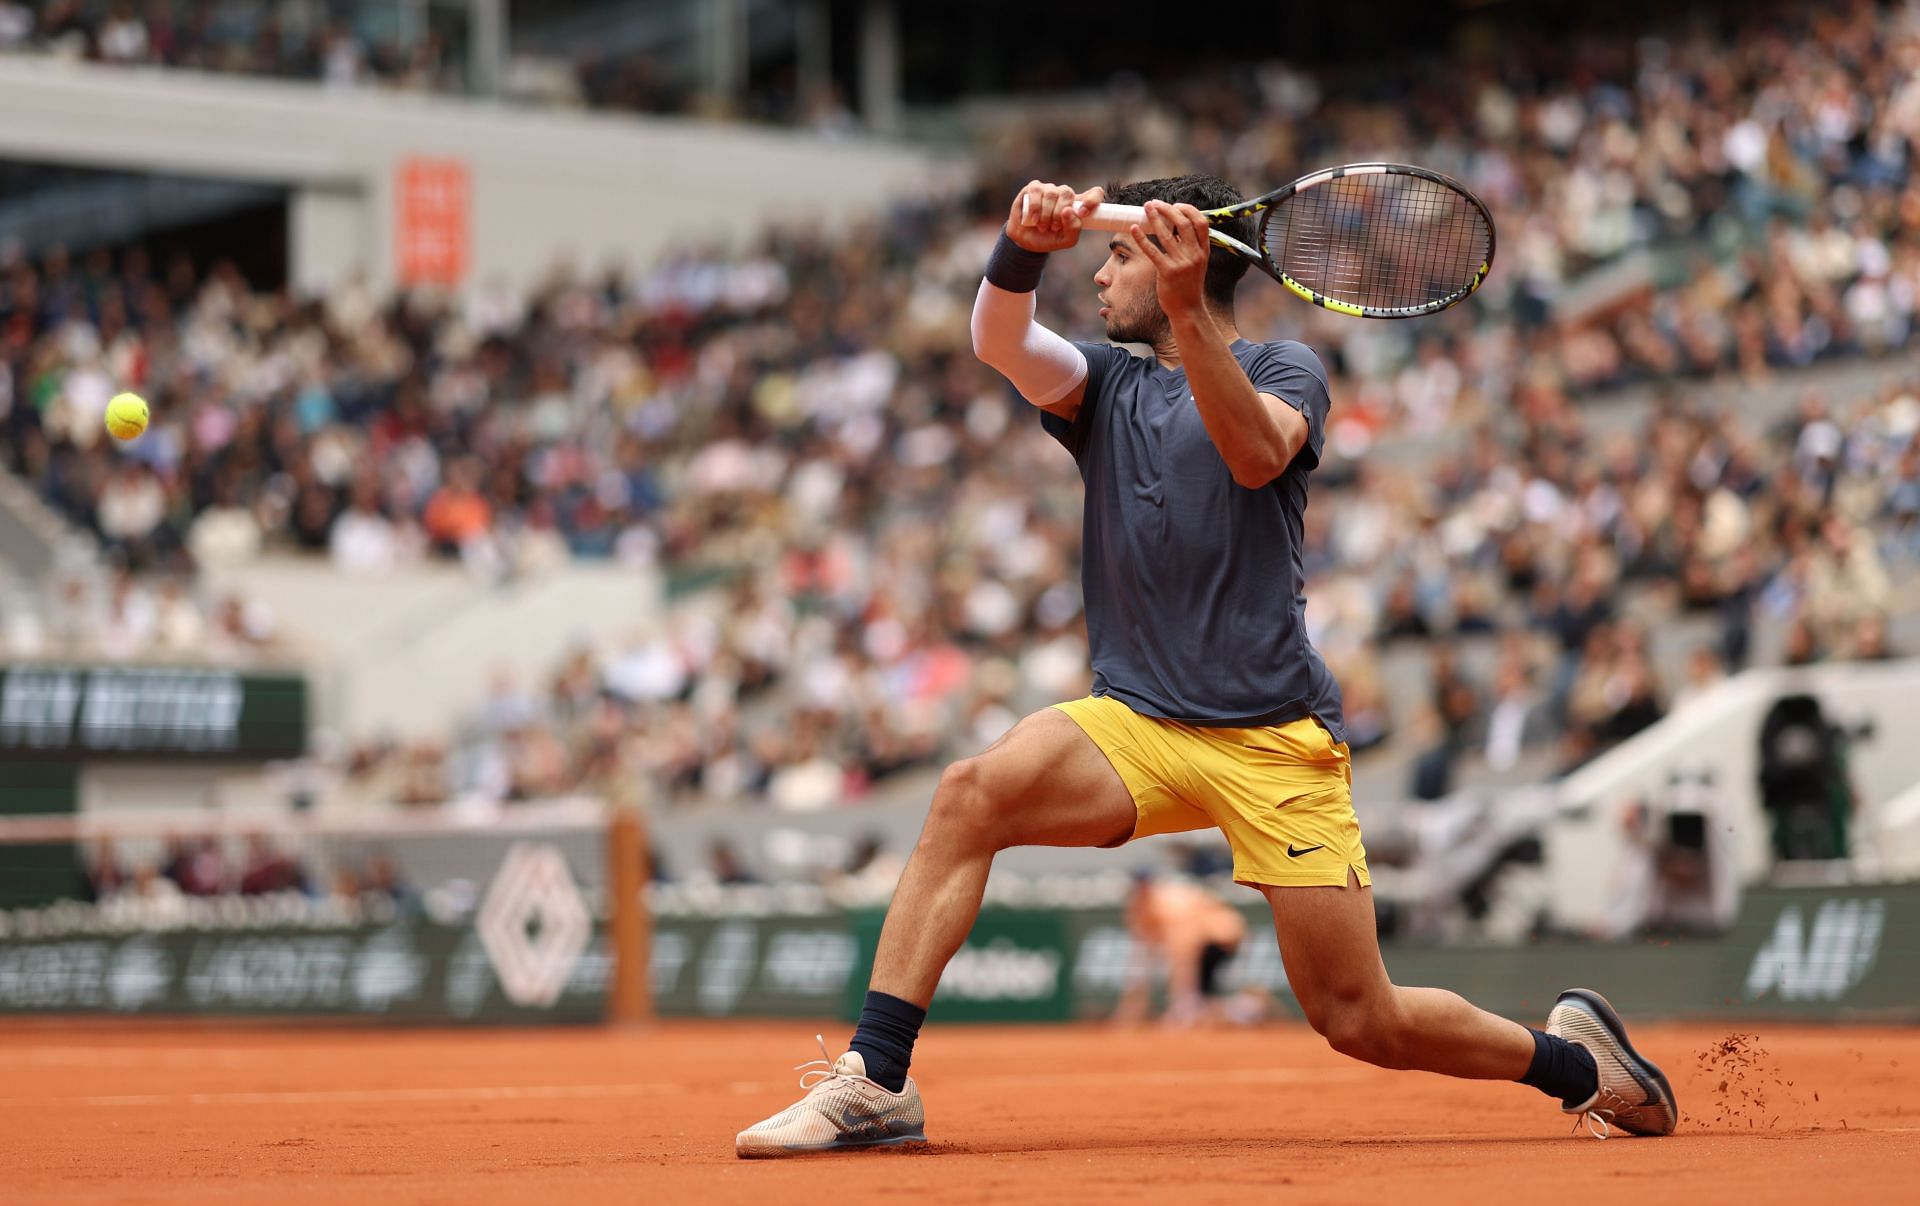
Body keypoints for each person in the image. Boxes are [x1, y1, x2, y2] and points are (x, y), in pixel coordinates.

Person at [736, 175, 1676, 1157]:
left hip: (1274, 739)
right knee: (973, 793)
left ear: (1188, 264)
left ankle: (1582, 1066)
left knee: (1361, 1019)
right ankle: (876, 1080)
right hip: (1138, 723)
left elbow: (1257, 453)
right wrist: (1022, 246)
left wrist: (1188, 317)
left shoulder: (1286, 365)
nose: (1097, 276)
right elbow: (999, 341)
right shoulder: (1104, 386)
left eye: (1119, 256)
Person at [1112, 871, 1249, 1027]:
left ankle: (1244, 1009)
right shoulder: (1141, 909)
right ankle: (1243, 1009)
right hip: (1219, 938)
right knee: (1200, 998)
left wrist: (1179, 1006)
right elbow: (1142, 961)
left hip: (1219, 938)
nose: (1141, 890)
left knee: (1194, 997)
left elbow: (1185, 954)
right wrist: (1129, 1010)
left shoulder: (1169, 905)